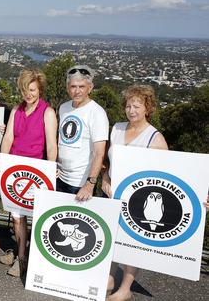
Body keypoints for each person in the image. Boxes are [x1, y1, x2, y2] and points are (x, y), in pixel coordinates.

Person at [100, 85, 167, 301]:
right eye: (128, 105)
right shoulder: (117, 128)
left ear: (148, 108)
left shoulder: (155, 138)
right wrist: (105, 179)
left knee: (133, 242)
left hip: (139, 199)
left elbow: (168, 175)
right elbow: (108, 161)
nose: (131, 110)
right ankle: (109, 278)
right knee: (110, 238)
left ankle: (125, 288)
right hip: (112, 193)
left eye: (137, 106)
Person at [0, 68, 58, 277]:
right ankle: (19, 254)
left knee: (30, 217)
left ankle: (23, 258)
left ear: (40, 89)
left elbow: (51, 145)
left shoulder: (48, 112)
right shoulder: (16, 110)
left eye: (32, 90)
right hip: (14, 170)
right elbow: (8, 139)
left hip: (35, 172)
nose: (28, 94)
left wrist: (51, 170)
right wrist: (1, 163)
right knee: (16, 217)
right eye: (25, 90)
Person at [57, 65, 109, 201]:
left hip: (79, 183)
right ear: (68, 88)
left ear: (90, 88)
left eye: (82, 87)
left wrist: (90, 184)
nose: (77, 91)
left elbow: (99, 153)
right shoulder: (64, 108)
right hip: (59, 177)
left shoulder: (97, 112)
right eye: (73, 86)